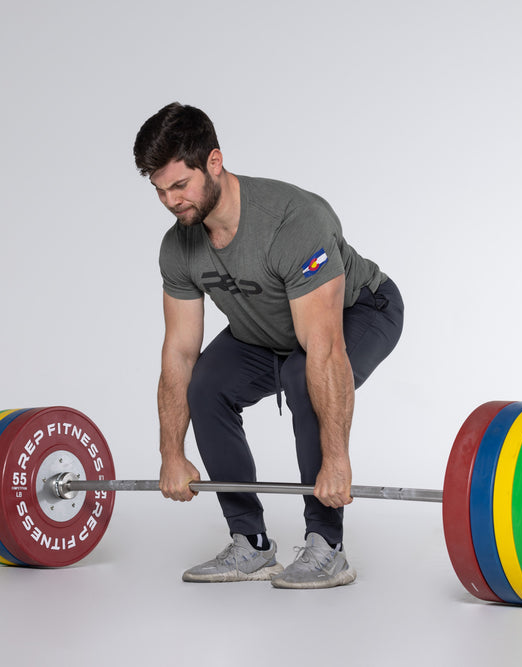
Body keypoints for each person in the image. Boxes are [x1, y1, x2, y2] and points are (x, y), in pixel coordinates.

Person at [133, 102, 404, 589]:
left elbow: (323, 351)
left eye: (180, 185)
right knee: (207, 385)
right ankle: (251, 543)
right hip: (267, 328)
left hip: (359, 312)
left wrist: (337, 461)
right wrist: (171, 453)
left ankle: (327, 544)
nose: (172, 202)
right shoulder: (179, 246)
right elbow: (178, 352)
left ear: (214, 162)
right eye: (159, 190)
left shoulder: (292, 221)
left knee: (305, 376)